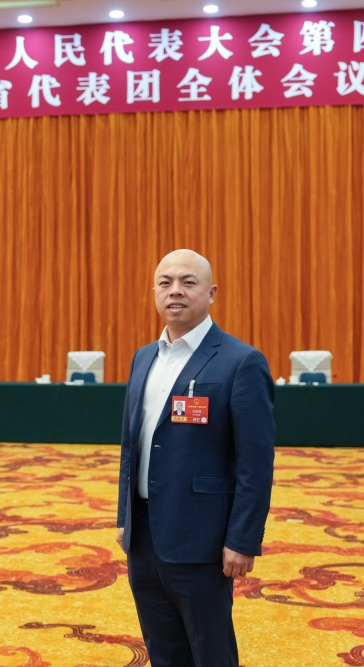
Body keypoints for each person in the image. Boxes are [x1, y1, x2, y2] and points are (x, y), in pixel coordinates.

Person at [116, 249, 275, 667]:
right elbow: (132, 446)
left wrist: (242, 540)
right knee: (163, 650)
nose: (175, 291)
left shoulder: (241, 362)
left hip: (203, 539)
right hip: (143, 537)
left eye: (188, 282)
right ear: (154, 292)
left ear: (211, 293)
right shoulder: (143, 357)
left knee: (210, 652)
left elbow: (255, 464)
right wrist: (125, 518)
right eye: (165, 282)